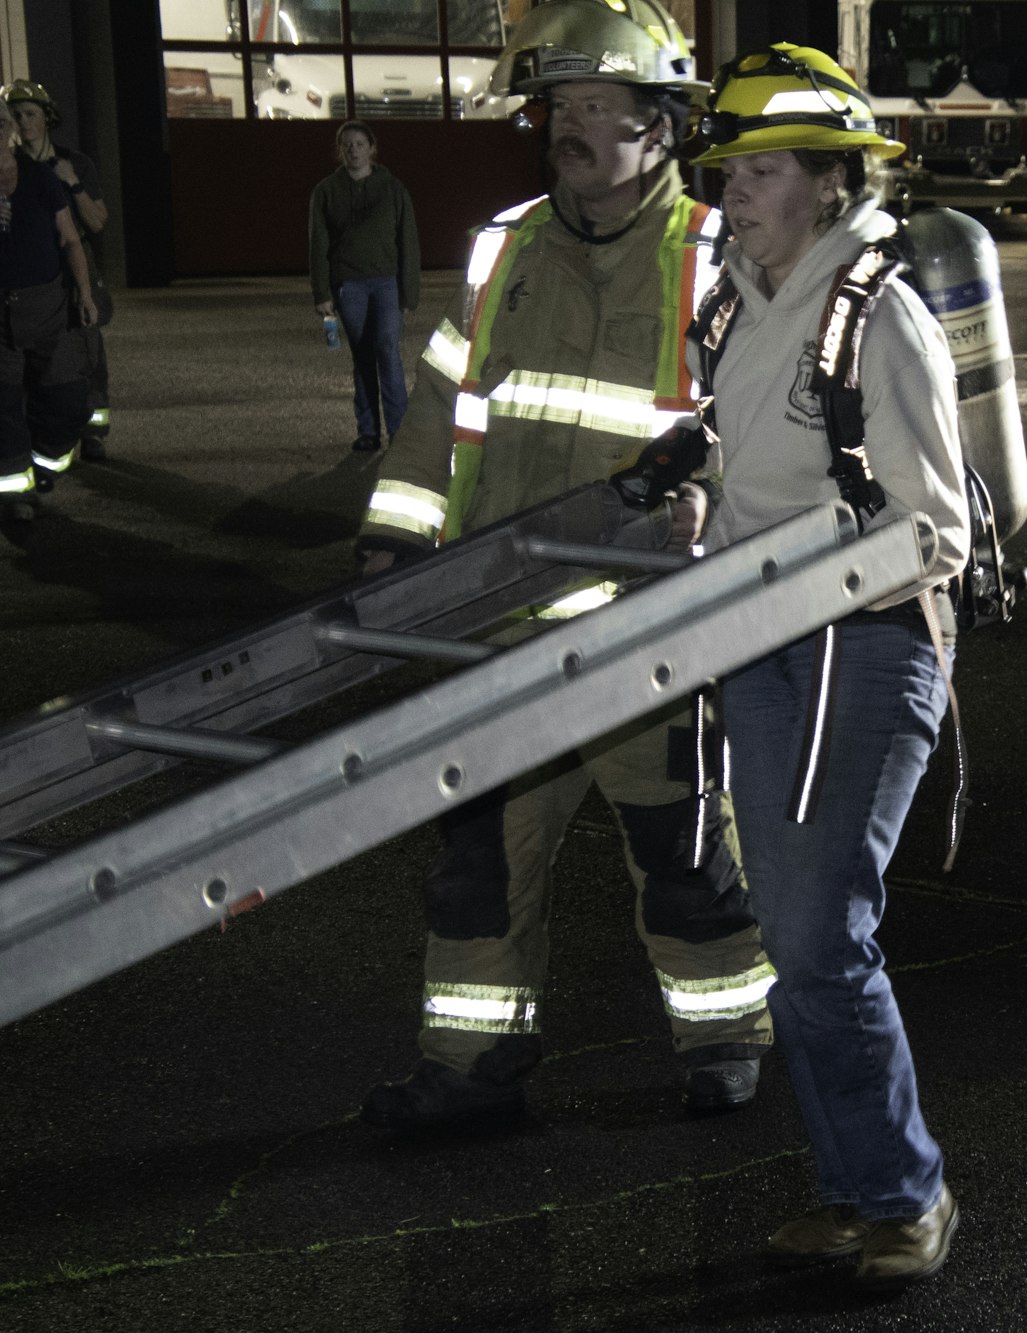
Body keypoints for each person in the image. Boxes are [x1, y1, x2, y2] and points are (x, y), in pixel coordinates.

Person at [351, 0, 773, 1131]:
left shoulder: (715, 261)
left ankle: (726, 1036)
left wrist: (709, 502)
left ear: (661, 126)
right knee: (476, 862)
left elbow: (769, 433)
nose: (571, 128)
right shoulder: (505, 249)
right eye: (561, 107)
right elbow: (442, 405)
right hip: (499, 629)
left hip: (649, 636)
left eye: (599, 107)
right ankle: (470, 1067)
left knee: (681, 856)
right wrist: (395, 532)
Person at [685, 43, 969, 1288]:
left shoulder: (876, 311)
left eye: (760, 170)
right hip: (760, 651)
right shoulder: (734, 305)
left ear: (829, 181)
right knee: (793, 941)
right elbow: (736, 479)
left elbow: (938, 530)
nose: (733, 193)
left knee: (817, 934)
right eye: (729, 172)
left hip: (864, 649)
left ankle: (905, 1198)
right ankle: (861, 1192)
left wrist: (795, 578)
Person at [3, 80, 111, 463]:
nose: (23, 122)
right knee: (45, 359)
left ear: (47, 117)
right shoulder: (11, 167)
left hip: (76, 260)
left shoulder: (74, 163)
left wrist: (73, 183)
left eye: (30, 114)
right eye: (16, 116)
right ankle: (41, 435)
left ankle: (94, 427)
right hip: (37, 275)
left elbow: (97, 222)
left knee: (88, 346)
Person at [308, 119, 420, 453]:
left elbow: (408, 242)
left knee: (388, 350)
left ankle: (399, 430)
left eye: (359, 144)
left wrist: (408, 291)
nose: (353, 150)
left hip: (386, 283)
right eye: (347, 145)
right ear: (339, 151)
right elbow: (318, 245)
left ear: (372, 148)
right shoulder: (327, 191)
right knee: (363, 357)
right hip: (349, 286)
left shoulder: (393, 189)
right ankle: (368, 431)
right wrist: (323, 293)